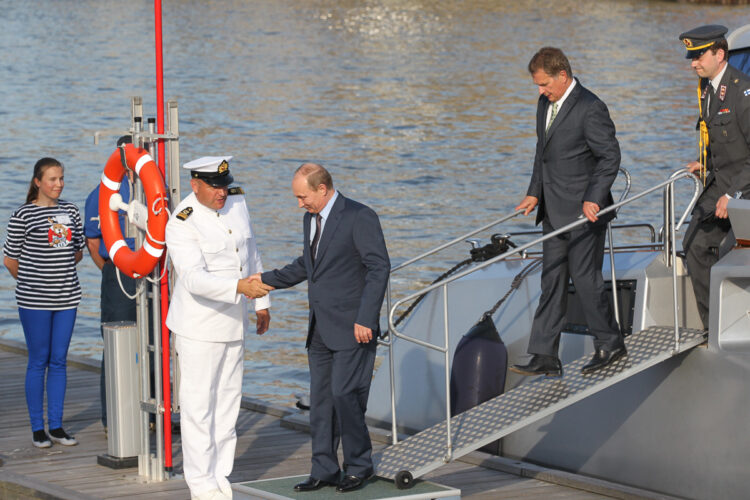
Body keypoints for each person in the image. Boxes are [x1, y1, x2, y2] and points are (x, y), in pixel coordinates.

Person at [255, 163, 390, 493]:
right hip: (319, 328)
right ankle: (324, 470)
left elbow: (379, 267)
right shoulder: (310, 219)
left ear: (323, 189)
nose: (299, 204)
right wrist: (265, 281)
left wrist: (366, 318)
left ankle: (359, 466)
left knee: (346, 395)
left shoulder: (360, 216)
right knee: (322, 402)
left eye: (303, 197)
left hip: (353, 326)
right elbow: (308, 265)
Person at [509, 47, 625, 378]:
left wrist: (594, 198)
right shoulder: (545, 103)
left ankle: (610, 343)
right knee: (552, 279)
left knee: (586, 280)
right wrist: (534, 192)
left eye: (544, 84)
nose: (541, 91)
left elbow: (609, 158)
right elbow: (542, 153)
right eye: (538, 86)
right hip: (552, 208)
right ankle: (546, 354)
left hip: (583, 213)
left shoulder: (591, 108)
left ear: (563, 75)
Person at [165, 156, 272, 500]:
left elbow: (249, 250)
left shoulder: (237, 200)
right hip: (199, 325)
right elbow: (194, 278)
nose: (222, 193)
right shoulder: (181, 221)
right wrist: (240, 289)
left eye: (225, 185)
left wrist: (262, 303)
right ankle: (200, 484)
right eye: (214, 187)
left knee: (228, 403)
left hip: (233, 322)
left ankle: (220, 476)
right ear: (195, 185)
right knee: (198, 407)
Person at [3, 157, 84, 448]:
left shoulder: (72, 211)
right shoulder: (23, 215)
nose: (58, 184)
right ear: (38, 182)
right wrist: (35, 280)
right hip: (34, 300)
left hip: (67, 298)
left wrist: (57, 269)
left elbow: (77, 253)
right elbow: (11, 260)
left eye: (61, 178)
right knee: (39, 360)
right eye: (52, 179)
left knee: (59, 360)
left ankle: (58, 426)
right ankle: (38, 428)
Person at [678, 25, 750, 331]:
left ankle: (736, 325)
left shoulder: (742, 91)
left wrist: (733, 195)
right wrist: (704, 165)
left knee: (729, 252)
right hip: (720, 182)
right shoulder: (708, 90)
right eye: (691, 56)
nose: (693, 62)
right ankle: (713, 326)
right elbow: (722, 140)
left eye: (698, 55)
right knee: (693, 245)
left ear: (720, 54)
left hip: (743, 188)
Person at [84, 138, 136, 433]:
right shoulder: (102, 194)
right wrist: (111, 271)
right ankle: (113, 417)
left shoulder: (158, 191)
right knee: (117, 344)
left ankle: (152, 413)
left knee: (154, 341)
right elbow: (93, 242)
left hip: (152, 273)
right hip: (118, 273)